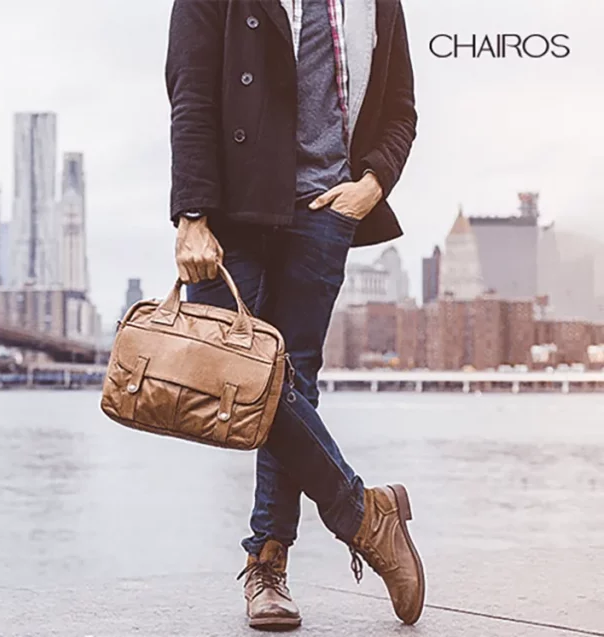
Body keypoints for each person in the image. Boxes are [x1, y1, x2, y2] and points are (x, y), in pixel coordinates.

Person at [165, 0, 422, 630]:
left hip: (328, 208)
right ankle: (363, 514)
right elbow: (190, 91)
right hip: (235, 213)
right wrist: (191, 213)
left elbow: (400, 110)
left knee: (291, 382)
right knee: (240, 377)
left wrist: (371, 186)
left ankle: (269, 561)